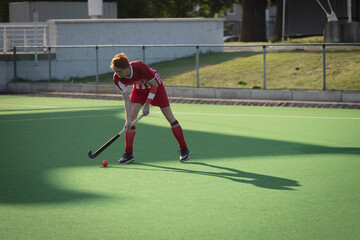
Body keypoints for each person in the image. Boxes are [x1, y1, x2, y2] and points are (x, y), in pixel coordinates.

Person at [110, 53, 191, 164]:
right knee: (132, 121)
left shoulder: (139, 67)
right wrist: (128, 120)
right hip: (139, 90)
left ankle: (184, 149)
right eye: (115, 71)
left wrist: (147, 104)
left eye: (118, 71)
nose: (117, 74)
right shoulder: (117, 78)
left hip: (156, 87)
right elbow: (126, 99)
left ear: (126, 68)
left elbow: (155, 85)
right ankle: (128, 154)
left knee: (169, 117)